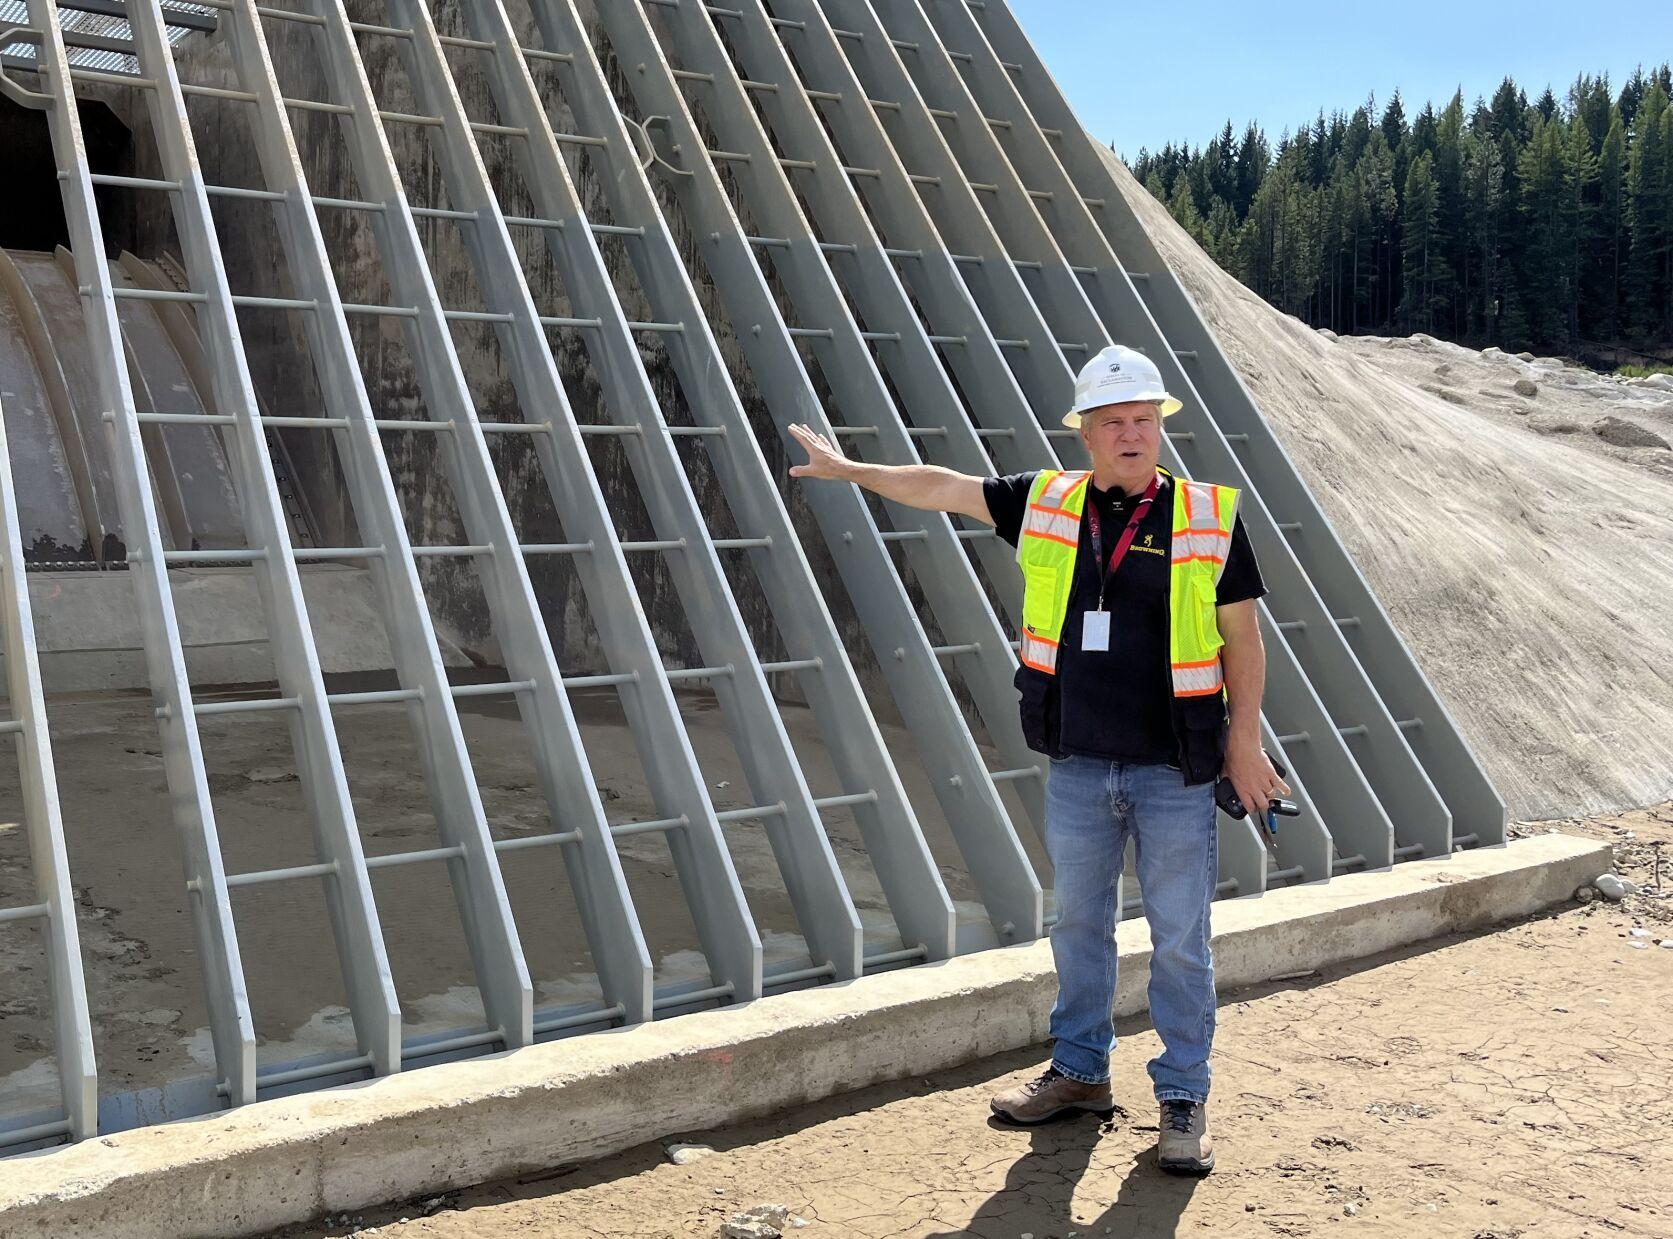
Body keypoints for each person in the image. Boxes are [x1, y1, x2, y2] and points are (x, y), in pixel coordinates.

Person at [788, 344, 1287, 1176]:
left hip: (1174, 768)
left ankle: (1181, 1095)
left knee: (1180, 941)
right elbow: (941, 485)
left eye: (1143, 420)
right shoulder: (1046, 502)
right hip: (1082, 763)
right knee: (1078, 926)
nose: (1131, 434)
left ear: (1156, 428)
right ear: (1085, 433)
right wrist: (847, 471)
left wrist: (1242, 743)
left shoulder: (1207, 516)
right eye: (1114, 422)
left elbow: (1243, 638)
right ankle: (1081, 1073)